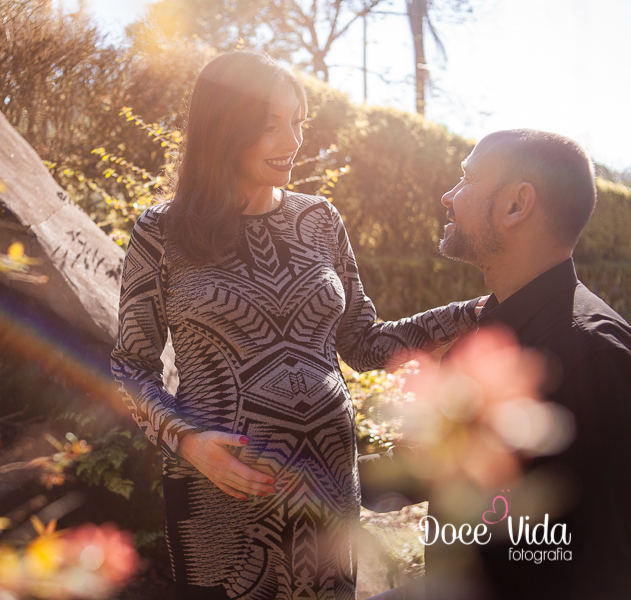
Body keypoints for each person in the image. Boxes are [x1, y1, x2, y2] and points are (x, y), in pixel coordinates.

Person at [110, 51, 480, 600]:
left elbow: (364, 341)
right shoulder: (160, 232)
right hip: (223, 505)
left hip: (329, 492)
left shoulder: (320, 219)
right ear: (223, 131)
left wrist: (472, 312)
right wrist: (188, 443)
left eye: (299, 122)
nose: (294, 140)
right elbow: (129, 368)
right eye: (272, 126)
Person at [364, 129, 631, 599]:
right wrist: (321, 478)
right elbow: (447, 465)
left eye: (466, 179)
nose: (447, 196)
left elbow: (623, 565)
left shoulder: (598, 356)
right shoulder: (485, 337)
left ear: (516, 205)